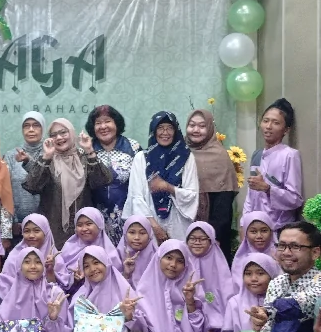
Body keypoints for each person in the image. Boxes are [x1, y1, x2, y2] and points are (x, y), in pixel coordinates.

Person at [21, 118, 112, 247]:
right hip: (53, 230)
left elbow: (103, 181)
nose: (59, 137)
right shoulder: (47, 160)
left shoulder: (84, 157)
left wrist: (89, 151)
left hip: (84, 230)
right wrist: (46, 157)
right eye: (53, 135)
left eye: (63, 132)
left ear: (71, 133)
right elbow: (32, 186)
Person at [125, 111, 199, 242]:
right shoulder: (141, 158)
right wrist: (154, 226)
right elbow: (136, 196)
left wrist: (168, 187)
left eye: (170, 128)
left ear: (176, 131)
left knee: (177, 253)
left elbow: (192, 194)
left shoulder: (186, 157)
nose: (165, 132)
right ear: (153, 131)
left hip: (178, 223)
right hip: (148, 224)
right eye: (160, 128)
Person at [184, 108, 239, 261]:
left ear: (210, 128)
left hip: (212, 230)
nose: (196, 130)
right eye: (192, 125)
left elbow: (224, 204)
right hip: (183, 226)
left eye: (202, 126)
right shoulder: (180, 152)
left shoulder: (219, 156)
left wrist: (213, 236)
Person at [243, 98, 304, 231]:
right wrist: (244, 225)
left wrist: (267, 189)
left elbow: (295, 199)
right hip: (254, 229)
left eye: (275, 123)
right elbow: (250, 196)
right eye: (265, 121)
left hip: (278, 230)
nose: (268, 126)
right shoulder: (257, 155)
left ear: (286, 130)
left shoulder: (290, 155)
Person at [85, 105, 142, 244]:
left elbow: (141, 183)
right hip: (95, 218)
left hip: (128, 216)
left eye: (107, 121)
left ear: (116, 123)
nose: (103, 126)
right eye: (98, 123)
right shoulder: (86, 149)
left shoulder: (133, 147)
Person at [0, 213, 60, 301]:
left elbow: (59, 292)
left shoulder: (56, 258)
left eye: (36, 231)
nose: (31, 235)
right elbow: (5, 290)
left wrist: (50, 271)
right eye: (27, 231)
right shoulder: (14, 257)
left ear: (46, 233)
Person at [183, 221, 233, 332]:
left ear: (211, 241)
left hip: (216, 328)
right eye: (193, 239)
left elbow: (225, 294)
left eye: (202, 239)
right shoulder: (181, 261)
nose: (197, 243)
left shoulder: (219, 264)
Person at [56, 207, 118, 296]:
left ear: (99, 225)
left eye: (89, 224)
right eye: (79, 225)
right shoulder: (68, 249)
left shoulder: (110, 252)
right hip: (74, 299)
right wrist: (73, 279)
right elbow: (59, 282)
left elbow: (117, 281)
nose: (84, 229)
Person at [2, 111, 45, 238]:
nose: (31, 129)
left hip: (45, 224)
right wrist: (13, 221)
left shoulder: (50, 154)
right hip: (18, 226)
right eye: (26, 126)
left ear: (43, 128)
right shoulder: (11, 156)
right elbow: (6, 191)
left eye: (36, 125)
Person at [117, 215, 158, 289]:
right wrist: (126, 274)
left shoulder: (158, 257)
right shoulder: (117, 257)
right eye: (132, 232)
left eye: (142, 233)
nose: (137, 238)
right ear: (125, 234)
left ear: (149, 235)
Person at [232, 211, 278, 277]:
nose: (259, 236)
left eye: (264, 231)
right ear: (246, 234)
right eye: (253, 231)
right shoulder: (240, 261)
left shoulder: (279, 256)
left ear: (271, 233)